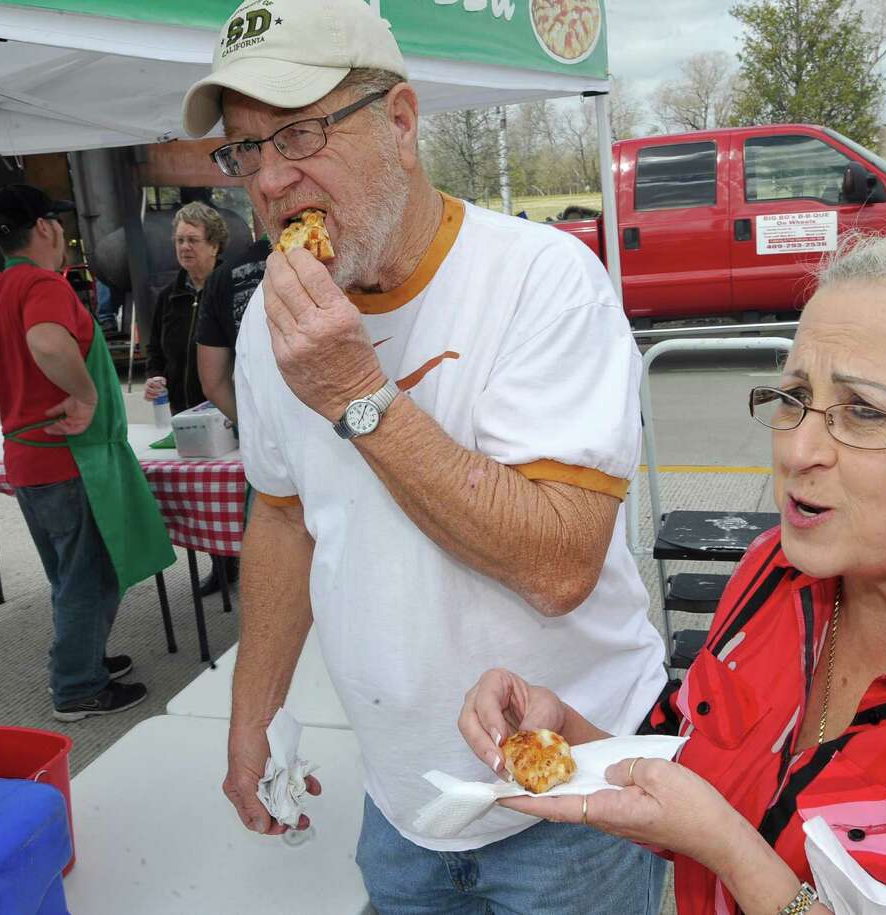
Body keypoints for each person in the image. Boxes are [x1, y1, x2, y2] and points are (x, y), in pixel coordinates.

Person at [460, 229, 886, 914]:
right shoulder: (774, 576)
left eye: (864, 412)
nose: (798, 449)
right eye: (794, 396)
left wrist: (739, 858)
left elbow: (720, 829)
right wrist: (575, 741)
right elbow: (699, 767)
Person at [180, 1, 668, 912]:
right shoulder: (264, 326)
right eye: (246, 149)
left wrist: (357, 392)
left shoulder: (542, 280)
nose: (273, 180)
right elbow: (285, 517)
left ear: (400, 121)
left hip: (570, 797)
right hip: (400, 798)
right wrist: (253, 716)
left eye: (300, 132)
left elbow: (561, 564)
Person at [0, 185, 174, 720]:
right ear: (43, 228)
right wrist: (84, 396)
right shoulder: (43, 285)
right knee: (90, 574)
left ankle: (84, 659)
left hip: (28, 459)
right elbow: (46, 341)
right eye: (58, 223)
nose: (64, 233)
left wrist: (25, 407)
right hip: (71, 459)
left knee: (71, 574)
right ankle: (77, 685)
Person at [144, 200, 232, 595]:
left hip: (226, 411)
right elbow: (156, 353)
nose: (185, 247)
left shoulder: (229, 288)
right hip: (184, 413)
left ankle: (252, 557)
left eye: (193, 240)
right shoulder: (168, 297)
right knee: (200, 497)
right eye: (180, 240)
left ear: (214, 245)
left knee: (238, 489)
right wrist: (155, 378)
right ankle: (222, 565)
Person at [196, 232, 271, 424]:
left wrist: (253, 427)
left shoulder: (220, 277)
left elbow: (213, 383)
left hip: (263, 435)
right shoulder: (336, 259)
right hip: (336, 431)